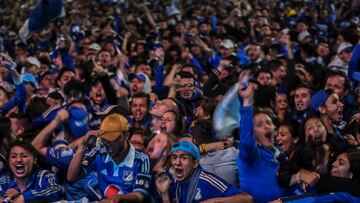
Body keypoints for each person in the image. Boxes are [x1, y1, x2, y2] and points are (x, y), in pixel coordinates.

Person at [67, 113, 151, 202]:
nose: (107, 144)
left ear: (126, 135)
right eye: (104, 139)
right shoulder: (99, 152)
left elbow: (140, 195)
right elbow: (71, 177)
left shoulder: (141, 160)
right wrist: (83, 145)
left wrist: (118, 198)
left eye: (112, 139)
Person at [156, 141, 253, 203]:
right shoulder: (177, 185)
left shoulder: (206, 180)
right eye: (174, 157)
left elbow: (247, 199)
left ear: (195, 164)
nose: (177, 162)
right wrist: (164, 194)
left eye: (184, 158)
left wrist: (213, 201)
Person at [237, 80, 284, 202]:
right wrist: (247, 103)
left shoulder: (279, 154)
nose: (267, 127)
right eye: (259, 124)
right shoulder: (250, 156)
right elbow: (246, 142)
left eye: (268, 123)